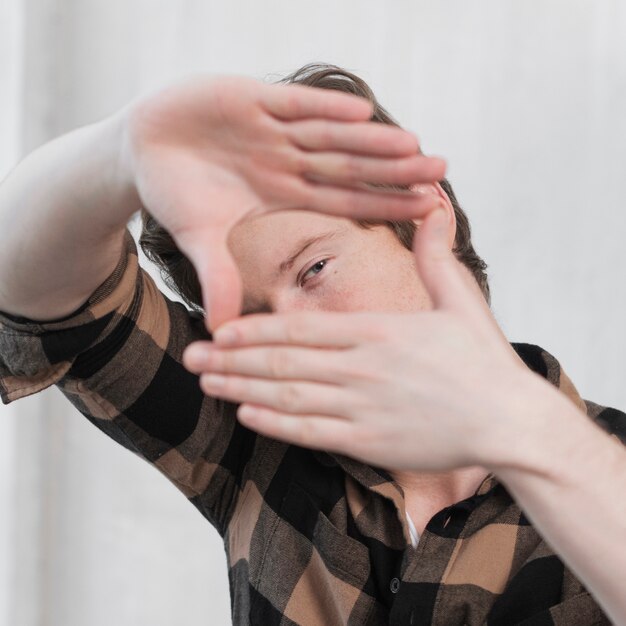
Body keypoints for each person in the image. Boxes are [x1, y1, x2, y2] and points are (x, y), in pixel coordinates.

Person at [0, 64, 623, 625]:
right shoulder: (257, 438)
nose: (290, 330)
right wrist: (122, 151)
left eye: (314, 268)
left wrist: (524, 430)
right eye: (253, 316)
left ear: (426, 212)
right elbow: (42, 300)